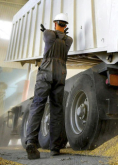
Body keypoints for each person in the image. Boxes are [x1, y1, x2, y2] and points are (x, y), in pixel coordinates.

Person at [25, 13, 73, 159]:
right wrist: (62, 32)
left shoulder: (47, 33)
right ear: (66, 25)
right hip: (60, 74)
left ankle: (31, 143)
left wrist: (49, 29)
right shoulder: (69, 39)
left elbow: (50, 35)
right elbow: (61, 36)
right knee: (57, 110)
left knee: (38, 105)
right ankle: (55, 148)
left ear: (55, 23)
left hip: (46, 73)